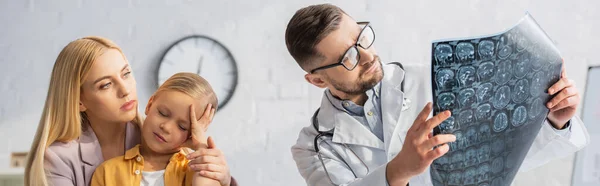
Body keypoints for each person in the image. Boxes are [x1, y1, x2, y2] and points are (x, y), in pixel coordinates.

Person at [284, 4, 589, 186]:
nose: (367, 56)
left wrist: (555, 122)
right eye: (348, 57)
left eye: (362, 38)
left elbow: (500, 157)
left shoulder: (436, 81)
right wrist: (398, 171)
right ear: (317, 80)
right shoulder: (313, 147)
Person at [24, 36, 236, 186]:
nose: (125, 90)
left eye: (126, 74)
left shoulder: (160, 140)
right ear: (79, 101)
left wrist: (223, 178)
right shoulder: (58, 159)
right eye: (105, 85)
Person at [91, 72, 220, 186]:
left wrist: (201, 147)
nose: (166, 127)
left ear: (193, 133)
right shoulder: (107, 172)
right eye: (163, 113)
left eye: (182, 126)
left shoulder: (192, 172)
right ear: (149, 105)